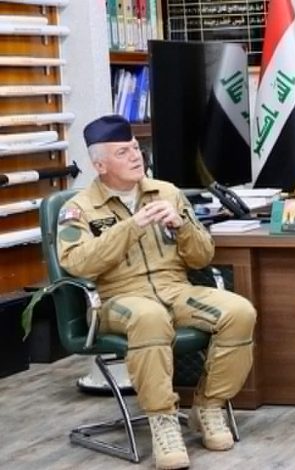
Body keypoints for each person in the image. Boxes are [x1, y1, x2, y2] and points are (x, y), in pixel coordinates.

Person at [57, 115, 257, 470]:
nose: (136, 156)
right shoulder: (79, 208)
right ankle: (162, 420)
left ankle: (208, 407)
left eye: (136, 148)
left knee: (240, 312)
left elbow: (202, 256)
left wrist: (181, 227)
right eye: (123, 152)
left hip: (175, 289)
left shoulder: (167, 193)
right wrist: (131, 227)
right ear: (100, 165)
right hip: (118, 299)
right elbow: (78, 263)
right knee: (149, 318)